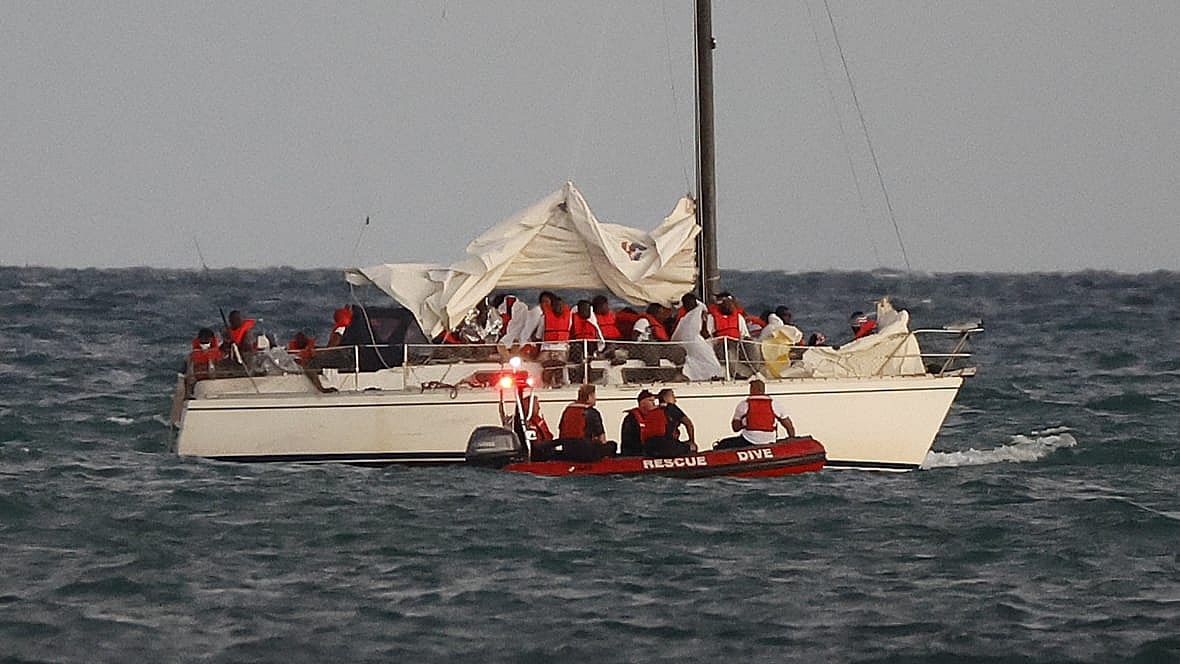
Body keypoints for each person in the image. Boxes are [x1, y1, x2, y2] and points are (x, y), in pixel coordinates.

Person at [715, 379, 796, 449]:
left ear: (752, 389)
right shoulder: (775, 404)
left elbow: (735, 428)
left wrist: (744, 423)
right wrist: (792, 440)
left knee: (723, 444)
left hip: (748, 440)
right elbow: (789, 426)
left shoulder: (744, 405)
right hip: (769, 440)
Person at [552, 384, 615, 461]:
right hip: (585, 452)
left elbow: (561, 430)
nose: (596, 399)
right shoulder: (592, 412)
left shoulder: (567, 410)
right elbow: (602, 438)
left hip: (568, 451)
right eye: (594, 396)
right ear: (589, 397)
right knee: (612, 445)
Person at [537, 292, 572, 386]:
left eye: (561, 306)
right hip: (551, 348)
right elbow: (539, 335)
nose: (559, 308)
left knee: (558, 364)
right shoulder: (545, 317)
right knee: (549, 365)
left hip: (559, 348)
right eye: (557, 306)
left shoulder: (569, 318)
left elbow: (538, 335)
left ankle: (558, 382)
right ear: (552, 307)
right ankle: (547, 383)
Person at [658, 388, 697, 453]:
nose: (675, 400)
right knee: (692, 447)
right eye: (673, 396)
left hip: (656, 444)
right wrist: (692, 441)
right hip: (670, 444)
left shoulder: (656, 410)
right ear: (665, 398)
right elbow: (689, 424)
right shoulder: (671, 408)